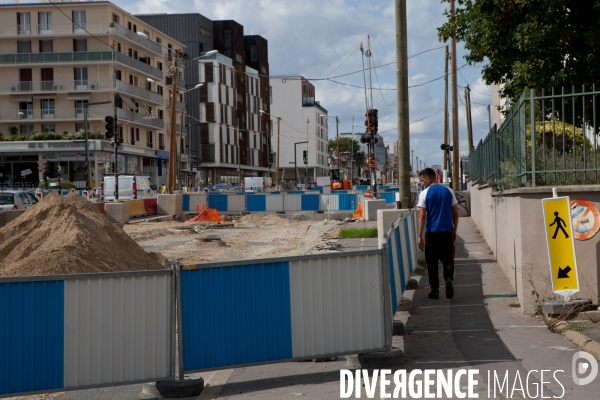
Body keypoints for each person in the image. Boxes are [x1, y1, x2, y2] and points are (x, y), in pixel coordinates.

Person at [416, 168, 459, 300]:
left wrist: (419, 235)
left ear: (429, 179)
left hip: (432, 233)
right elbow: (456, 214)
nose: (422, 183)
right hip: (447, 231)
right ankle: (448, 279)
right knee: (448, 259)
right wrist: (454, 230)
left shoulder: (424, 194)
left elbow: (422, 216)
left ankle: (434, 290)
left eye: (422, 180)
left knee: (432, 262)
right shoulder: (449, 191)